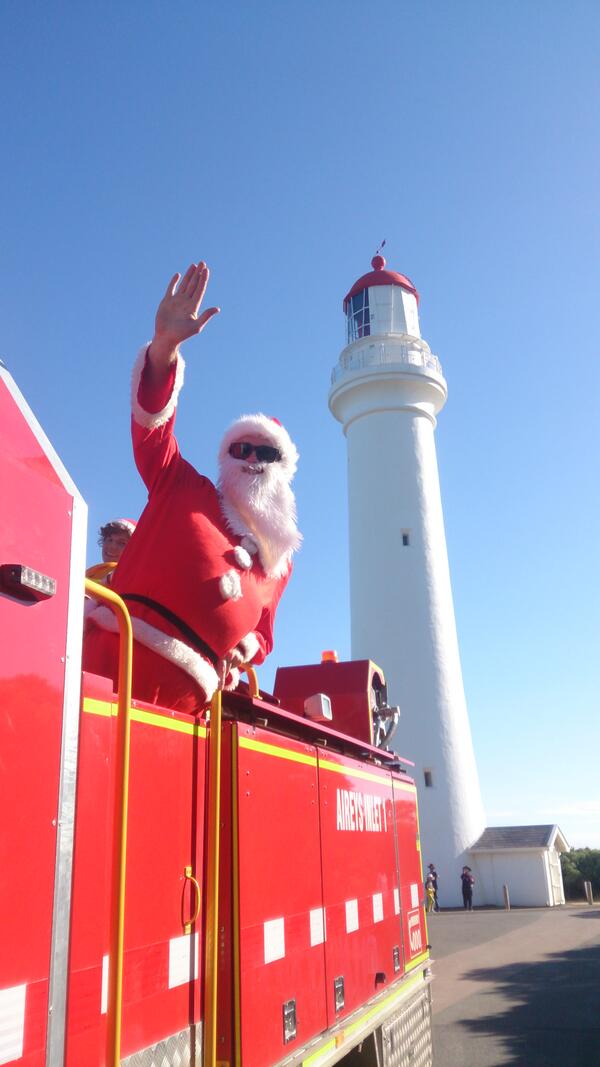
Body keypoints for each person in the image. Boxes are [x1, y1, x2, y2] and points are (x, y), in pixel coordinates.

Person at [83, 261, 301, 713]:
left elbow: (264, 634)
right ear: (226, 457)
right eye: (241, 449)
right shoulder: (182, 485)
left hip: (188, 713)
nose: (253, 460)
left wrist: (246, 649)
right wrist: (163, 348)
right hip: (104, 675)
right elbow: (152, 433)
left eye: (266, 453)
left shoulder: (278, 564)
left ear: (285, 467)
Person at [86, 519, 137, 585]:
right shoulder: (89, 573)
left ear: (134, 550)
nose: (112, 547)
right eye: (109, 540)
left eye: (122, 543)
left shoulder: (133, 578)